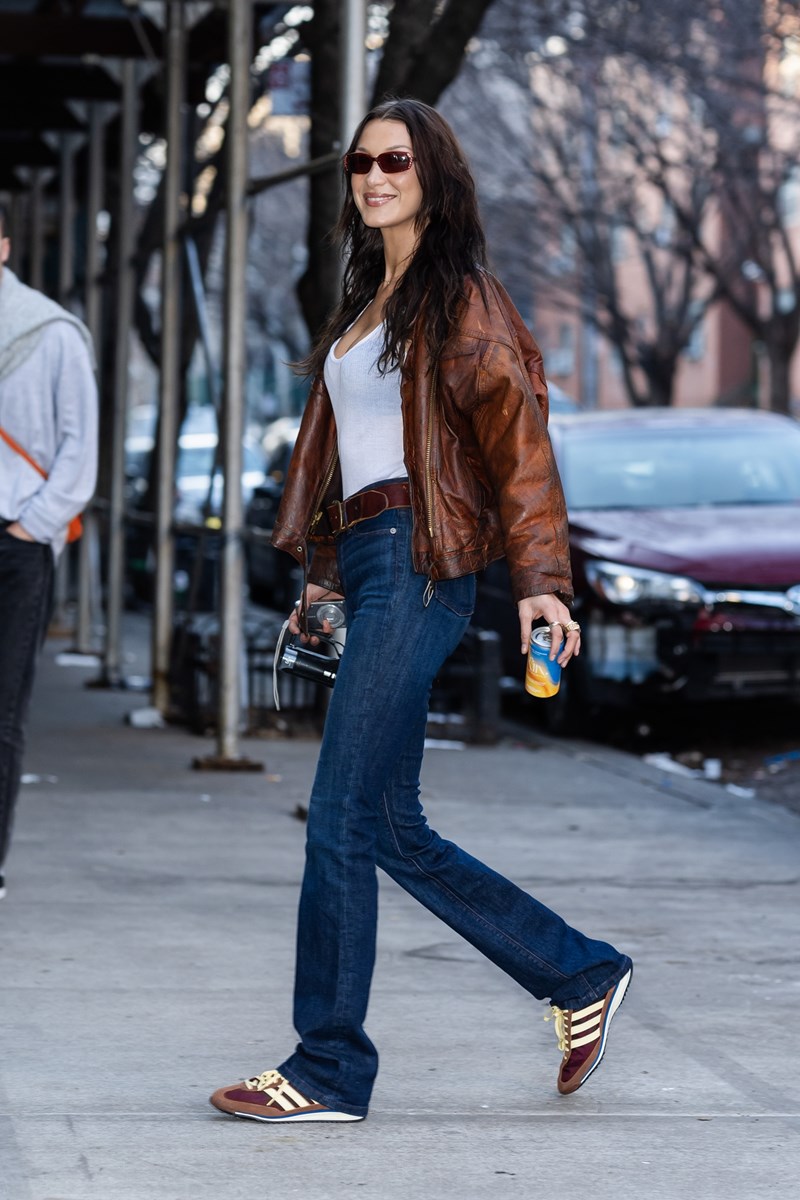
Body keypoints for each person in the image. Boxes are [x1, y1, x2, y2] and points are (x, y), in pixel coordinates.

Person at [210, 99, 632, 1124]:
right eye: (359, 162)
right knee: (389, 825)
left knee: (341, 822)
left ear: (433, 175)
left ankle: (326, 1067)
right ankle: (576, 975)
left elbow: (516, 446)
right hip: (367, 559)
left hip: (421, 560)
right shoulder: (365, 302)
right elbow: (337, 463)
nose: (372, 175)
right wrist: (318, 575)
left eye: (392, 159)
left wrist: (542, 581)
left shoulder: (459, 298)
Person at [0, 202, 98, 900]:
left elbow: (78, 449)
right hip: (21, 538)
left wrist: (29, 528)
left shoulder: (51, 332)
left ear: (4, 244)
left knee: (3, 711)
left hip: (16, 543)